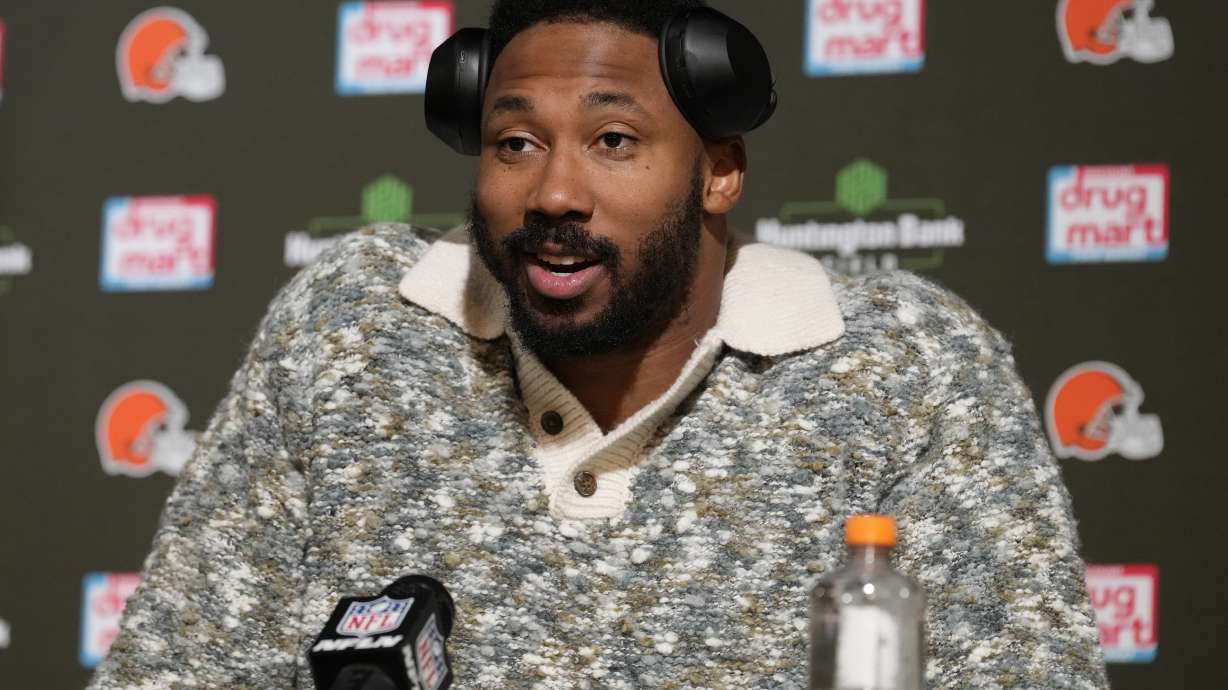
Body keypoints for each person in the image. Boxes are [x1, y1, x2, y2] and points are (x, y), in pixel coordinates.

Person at [88, 1, 1109, 688]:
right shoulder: (353, 325)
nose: (554, 192)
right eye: (514, 143)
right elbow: (177, 661)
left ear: (717, 172)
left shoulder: (910, 364)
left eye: (613, 142)